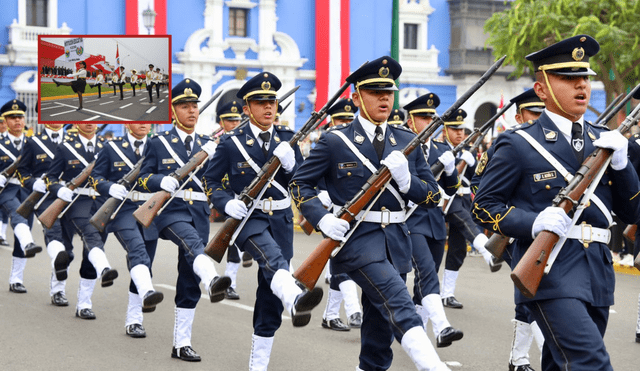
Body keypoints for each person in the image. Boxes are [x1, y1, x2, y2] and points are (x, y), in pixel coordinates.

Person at [472, 35, 640, 371]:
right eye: (568, 78)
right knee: (591, 363)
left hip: (597, 273)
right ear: (542, 89)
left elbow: (632, 212)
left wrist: (622, 166)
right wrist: (532, 223)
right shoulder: (518, 144)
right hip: (550, 272)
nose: (581, 85)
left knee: (560, 364)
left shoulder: (605, 141)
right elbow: (484, 206)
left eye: (585, 79)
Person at [291, 56, 450, 371]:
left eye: (389, 93)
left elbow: (432, 196)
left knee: (379, 332)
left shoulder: (407, 141)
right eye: (376, 92)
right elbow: (300, 184)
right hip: (357, 240)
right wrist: (322, 218)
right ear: (356, 97)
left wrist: (407, 181)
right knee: (399, 302)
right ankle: (434, 366)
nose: (384, 99)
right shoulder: (336, 141)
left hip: (397, 242)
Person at [205, 72, 324, 370]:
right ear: (247, 108)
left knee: (269, 291)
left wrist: (292, 163)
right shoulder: (232, 143)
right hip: (249, 219)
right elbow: (211, 181)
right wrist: (225, 202)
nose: (269, 107)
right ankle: (296, 298)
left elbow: (299, 183)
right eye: (261, 102)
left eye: (272, 101)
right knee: (274, 261)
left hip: (281, 218)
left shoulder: (287, 139)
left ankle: (258, 365)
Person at [138, 78, 231, 361]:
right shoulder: (158, 142)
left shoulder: (209, 145)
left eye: (195, 107)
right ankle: (213, 277)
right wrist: (160, 180)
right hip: (169, 211)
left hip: (199, 213)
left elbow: (219, 182)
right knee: (193, 246)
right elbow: (142, 178)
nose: (192, 111)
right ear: (173, 110)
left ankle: (181, 342)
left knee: (189, 275)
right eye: (185, 106)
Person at [471, 88, 546, 371]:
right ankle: (530, 357)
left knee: (534, 296)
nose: (539, 117)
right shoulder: (508, 145)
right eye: (533, 113)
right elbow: (481, 190)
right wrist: (508, 217)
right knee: (529, 293)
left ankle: (519, 358)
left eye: (542, 112)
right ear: (518, 116)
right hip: (517, 230)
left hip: (552, 231)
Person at [402, 92, 464, 348]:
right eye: (423, 118)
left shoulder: (441, 148)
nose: (428, 122)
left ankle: (418, 332)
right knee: (427, 273)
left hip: (436, 223)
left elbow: (451, 189)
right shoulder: (404, 146)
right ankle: (442, 327)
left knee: (423, 283)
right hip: (411, 220)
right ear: (411, 122)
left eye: (431, 118)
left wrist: (450, 170)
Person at [91, 123, 164, 338]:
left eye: (147, 121)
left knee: (144, 263)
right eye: (138, 120)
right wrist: (108, 187)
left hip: (149, 210)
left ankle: (136, 314)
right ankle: (141, 304)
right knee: (137, 249)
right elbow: (96, 178)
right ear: (126, 124)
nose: (143, 125)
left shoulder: (159, 146)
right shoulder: (111, 147)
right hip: (122, 210)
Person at [45, 123, 119, 319]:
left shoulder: (107, 146)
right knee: (70, 248)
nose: (89, 123)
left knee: (91, 253)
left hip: (102, 204)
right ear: (76, 123)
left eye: (94, 119)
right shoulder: (65, 147)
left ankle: (84, 303)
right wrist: (58, 190)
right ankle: (58, 289)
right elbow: (50, 177)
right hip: (75, 202)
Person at [438, 109, 500, 310]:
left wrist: (472, 162)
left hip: (463, 198)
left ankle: (447, 294)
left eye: (461, 130)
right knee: (467, 222)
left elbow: (476, 177)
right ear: (445, 130)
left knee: (457, 249)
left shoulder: (469, 150)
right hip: (445, 198)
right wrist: (458, 161)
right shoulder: (439, 148)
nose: (459, 133)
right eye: (454, 129)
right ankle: (487, 252)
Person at [316, 98, 363, 331]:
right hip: (334, 212)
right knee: (343, 261)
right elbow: (306, 176)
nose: (344, 122)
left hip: (359, 212)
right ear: (331, 121)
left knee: (342, 262)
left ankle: (330, 315)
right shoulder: (326, 142)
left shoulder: (356, 142)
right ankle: (354, 309)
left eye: (348, 118)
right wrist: (320, 194)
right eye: (340, 119)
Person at [17, 121, 73, 306]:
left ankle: (59, 283)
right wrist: (33, 183)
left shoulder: (74, 139)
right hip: (45, 197)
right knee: (54, 234)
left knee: (68, 247)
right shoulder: (34, 142)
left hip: (72, 197)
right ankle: (58, 291)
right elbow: (23, 171)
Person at [0, 99, 44, 293]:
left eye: (20, 117)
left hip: (28, 191)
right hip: (7, 190)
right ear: (5, 121)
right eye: (12, 118)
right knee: (18, 215)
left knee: (22, 230)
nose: (17, 121)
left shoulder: (34, 144)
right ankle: (29, 242)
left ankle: (16, 278)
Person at [214, 100, 250, 300]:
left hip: (244, 194)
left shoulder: (245, 141)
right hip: (225, 196)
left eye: (237, 120)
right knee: (232, 241)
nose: (234, 124)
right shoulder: (216, 143)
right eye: (229, 121)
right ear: (221, 122)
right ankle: (230, 282)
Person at [0, 115, 9, 246]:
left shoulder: (12, 139)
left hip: (10, 180)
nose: (2, 125)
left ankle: (3, 234)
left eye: (3, 123)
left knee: (6, 209)